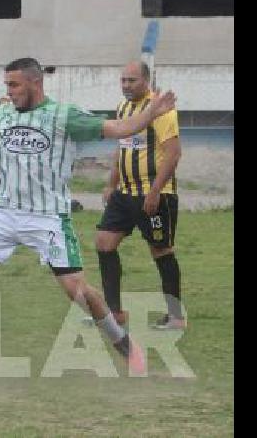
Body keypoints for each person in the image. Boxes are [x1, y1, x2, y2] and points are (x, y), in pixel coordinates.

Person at [0, 57, 178, 376]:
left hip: (47, 217)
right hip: (3, 211)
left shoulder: (64, 115)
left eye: (14, 85)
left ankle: (123, 343)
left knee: (77, 290)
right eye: (6, 85)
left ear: (35, 83)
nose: (9, 91)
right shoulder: (4, 113)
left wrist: (152, 112)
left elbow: (118, 128)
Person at [95, 61, 185, 330]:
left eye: (131, 80)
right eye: (123, 80)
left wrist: (156, 190)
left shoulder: (161, 109)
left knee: (161, 251)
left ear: (146, 80)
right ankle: (115, 313)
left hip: (155, 194)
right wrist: (112, 184)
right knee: (103, 244)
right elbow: (121, 148)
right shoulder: (124, 108)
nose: (126, 85)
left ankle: (176, 317)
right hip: (125, 194)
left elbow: (173, 153)